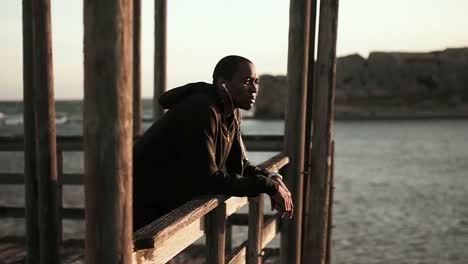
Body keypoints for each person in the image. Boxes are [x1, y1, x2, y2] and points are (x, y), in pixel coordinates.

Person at [133, 55, 293, 231]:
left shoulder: (231, 112)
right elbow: (207, 180)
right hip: (136, 206)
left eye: (256, 81)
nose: (254, 89)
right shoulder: (202, 109)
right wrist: (267, 186)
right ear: (223, 84)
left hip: (160, 209)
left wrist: (272, 178)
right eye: (247, 81)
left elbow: (238, 166)